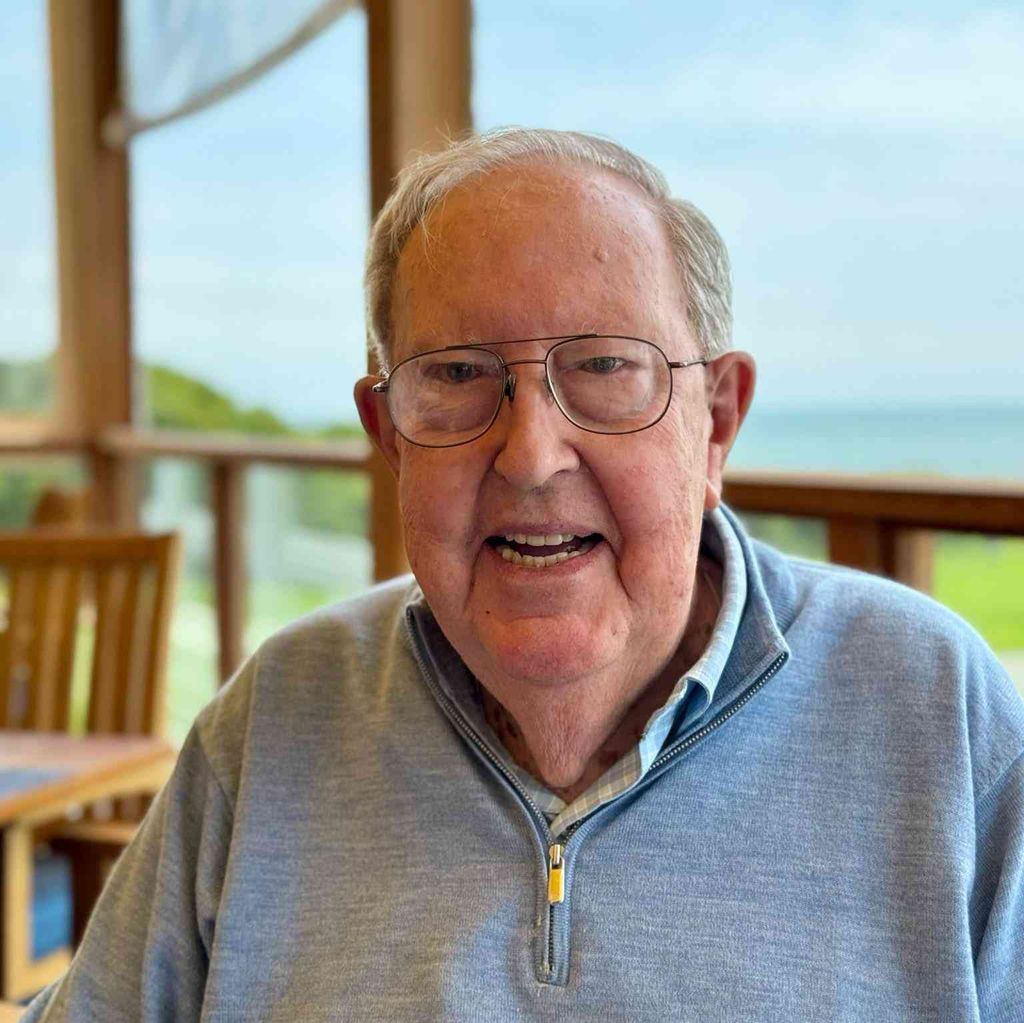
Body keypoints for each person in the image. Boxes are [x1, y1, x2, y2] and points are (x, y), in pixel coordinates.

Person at [24, 128, 1024, 1022]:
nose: (533, 456)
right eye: (458, 374)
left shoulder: (933, 709)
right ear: (389, 436)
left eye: (604, 367)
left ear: (715, 421)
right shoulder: (278, 716)